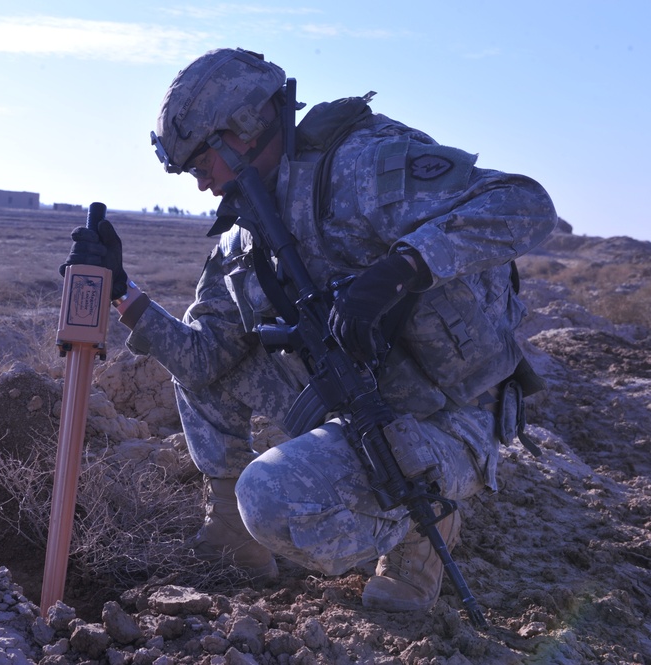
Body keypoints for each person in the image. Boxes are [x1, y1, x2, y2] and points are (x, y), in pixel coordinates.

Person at [61, 47, 557, 613]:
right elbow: (202, 363)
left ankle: (426, 524)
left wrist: (402, 268)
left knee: (269, 497)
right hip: (361, 398)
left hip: (451, 414)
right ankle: (229, 531)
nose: (202, 187)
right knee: (217, 379)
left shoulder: (358, 167)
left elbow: (526, 205)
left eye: (202, 167)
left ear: (241, 130)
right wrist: (122, 290)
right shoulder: (244, 240)